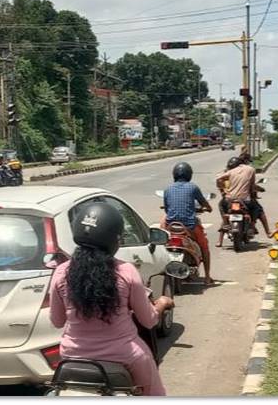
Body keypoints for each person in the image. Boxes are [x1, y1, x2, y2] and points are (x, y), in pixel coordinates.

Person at [49, 202, 173, 396]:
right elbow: (148, 321)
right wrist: (162, 304)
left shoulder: (61, 272)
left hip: (72, 356)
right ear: (115, 239)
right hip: (126, 355)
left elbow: (57, 321)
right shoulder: (126, 272)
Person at [162, 162, 213, 284]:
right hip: (190, 226)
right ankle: (207, 277)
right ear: (189, 175)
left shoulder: (168, 189)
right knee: (204, 246)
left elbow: (167, 209)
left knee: (162, 242)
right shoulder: (193, 187)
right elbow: (203, 202)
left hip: (171, 226)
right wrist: (208, 208)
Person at [215, 153, 271, 240]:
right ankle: (264, 230)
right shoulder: (249, 170)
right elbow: (252, 186)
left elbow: (218, 179)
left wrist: (223, 190)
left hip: (229, 199)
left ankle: (220, 238)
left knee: (224, 211)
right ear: (244, 161)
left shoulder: (228, 172)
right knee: (258, 209)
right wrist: (258, 190)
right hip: (244, 199)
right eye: (248, 162)